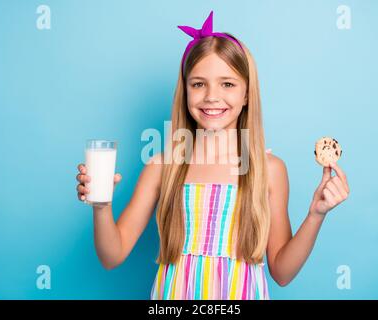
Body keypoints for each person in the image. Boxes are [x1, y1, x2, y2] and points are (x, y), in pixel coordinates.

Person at [75, 11, 350, 300]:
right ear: (185, 92)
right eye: (198, 84)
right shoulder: (162, 167)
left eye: (227, 84)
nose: (211, 96)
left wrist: (315, 215)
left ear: (246, 95)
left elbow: (282, 272)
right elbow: (112, 255)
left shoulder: (269, 169)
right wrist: (101, 206)